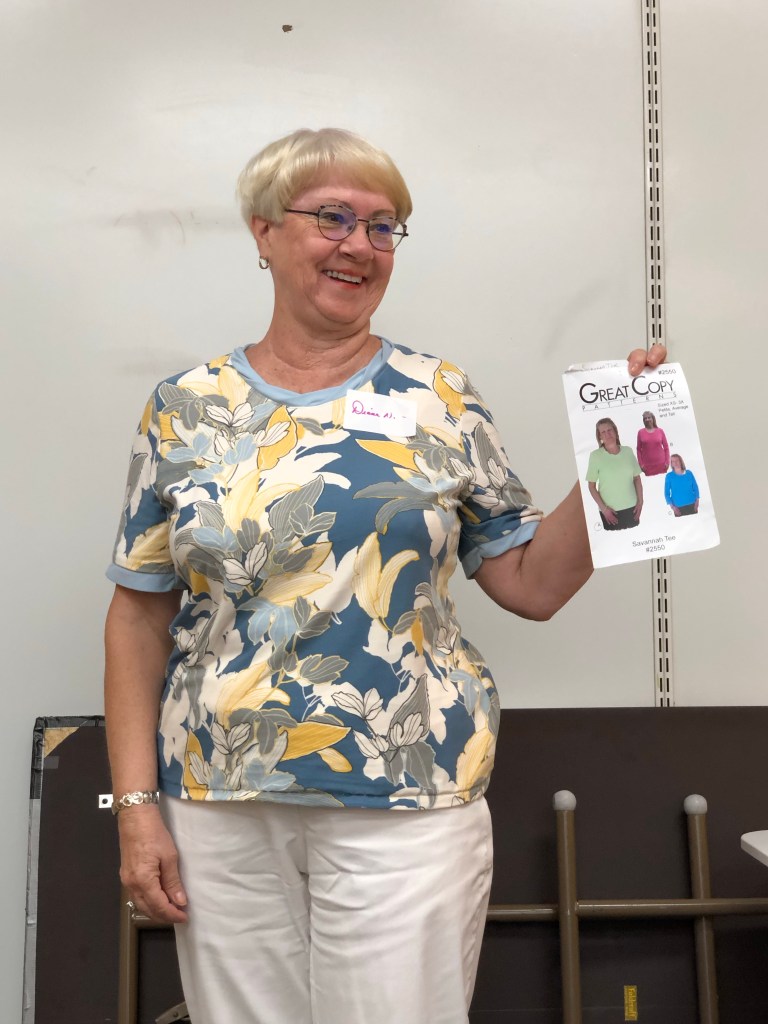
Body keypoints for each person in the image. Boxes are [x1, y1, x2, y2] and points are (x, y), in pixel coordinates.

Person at [104, 127, 666, 1024]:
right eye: (333, 217)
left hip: (407, 792)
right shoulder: (185, 408)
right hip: (216, 801)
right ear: (263, 232)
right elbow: (138, 615)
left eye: (382, 226)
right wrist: (136, 808)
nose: (359, 245)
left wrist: (625, 457)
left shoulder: (440, 398)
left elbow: (532, 584)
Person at [586, 418, 643, 530]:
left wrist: (640, 502)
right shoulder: (595, 456)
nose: (607, 434)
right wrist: (604, 509)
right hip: (610, 512)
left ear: (615, 431)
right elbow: (591, 486)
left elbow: (637, 478)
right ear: (600, 437)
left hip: (633, 508)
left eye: (609, 430)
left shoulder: (628, 451)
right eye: (603, 432)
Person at [636, 410, 669, 476]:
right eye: (645, 418)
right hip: (647, 467)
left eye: (649, 417)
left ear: (653, 418)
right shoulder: (640, 432)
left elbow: (666, 448)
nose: (647, 419)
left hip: (662, 465)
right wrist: (641, 464)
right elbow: (638, 450)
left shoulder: (660, 431)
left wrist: (667, 462)